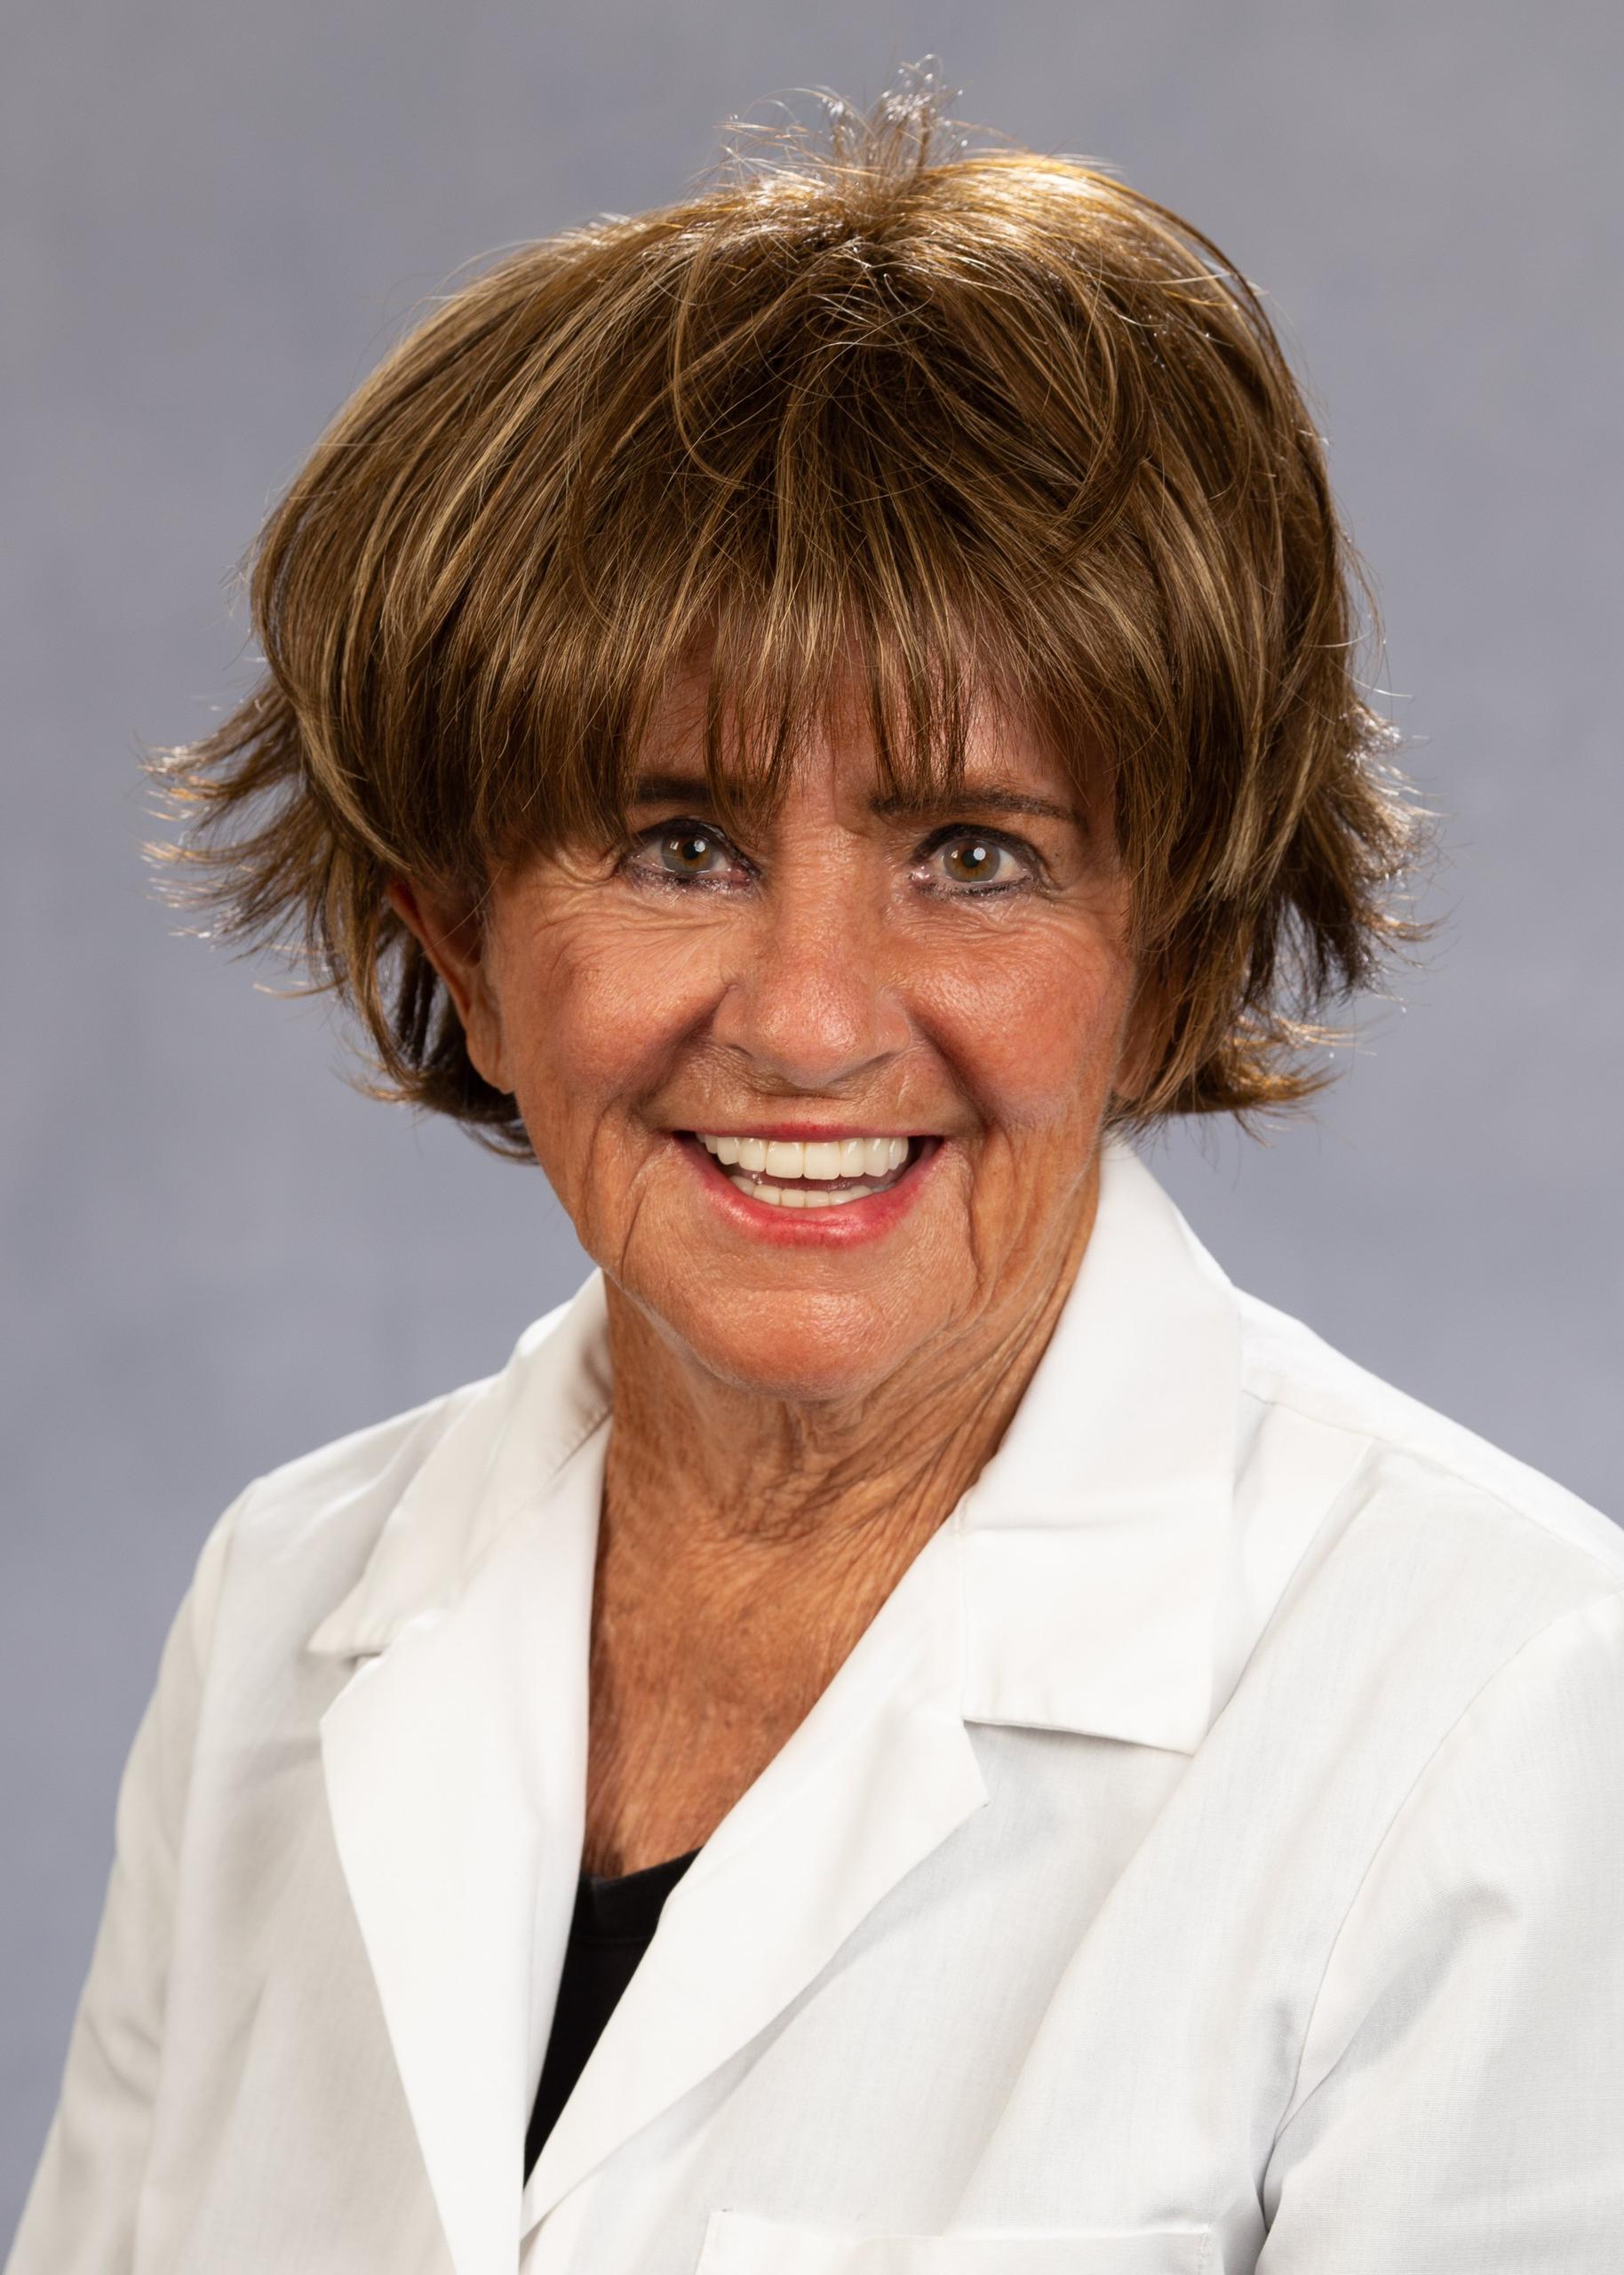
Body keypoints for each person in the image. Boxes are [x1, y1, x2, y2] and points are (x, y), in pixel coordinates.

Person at [10, 77, 1622, 2275]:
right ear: (461, 944)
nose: (804, 1017)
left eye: (972, 853)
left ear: (1168, 957)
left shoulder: (1508, 1704)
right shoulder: (281, 1610)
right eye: (677, 842)